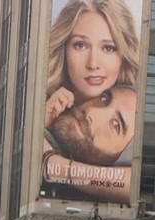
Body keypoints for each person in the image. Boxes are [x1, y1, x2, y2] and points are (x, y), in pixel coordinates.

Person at [41, 0, 139, 204]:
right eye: (80, 45)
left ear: (123, 56)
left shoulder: (133, 100)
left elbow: (137, 184)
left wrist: (54, 166)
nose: (93, 63)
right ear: (64, 48)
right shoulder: (39, 99)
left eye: (108, 48)